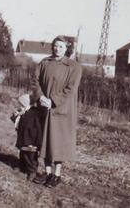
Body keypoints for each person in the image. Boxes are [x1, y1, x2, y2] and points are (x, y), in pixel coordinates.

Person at [31, 35, 82, 187]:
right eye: (55, 45)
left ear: (67, 49)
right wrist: (40, 97)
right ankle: (47, 172)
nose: (57, 49)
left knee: (59, 143)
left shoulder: (74, 67)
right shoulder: (44, 63)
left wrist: (52, 100)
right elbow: (35, 81)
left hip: (61, 110)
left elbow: (70, 89)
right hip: (44, 108)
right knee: (45, 141)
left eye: (61, 46)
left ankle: (57, 174)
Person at [11, 94, 45, 183]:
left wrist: (35, 139)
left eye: (21, 105)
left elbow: (37, 126)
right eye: (19, 105)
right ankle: (22, 167)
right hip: (23, 138)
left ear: (26, 104)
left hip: (31, 138)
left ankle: (32, 171)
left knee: (31, 156)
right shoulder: (22, 112)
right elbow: (16, 121)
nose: (19, 107)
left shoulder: (34, 113)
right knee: (23, 153)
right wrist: (16, 115)